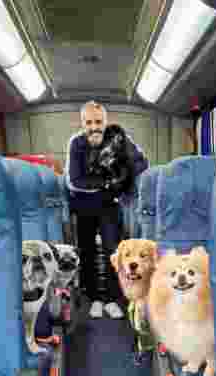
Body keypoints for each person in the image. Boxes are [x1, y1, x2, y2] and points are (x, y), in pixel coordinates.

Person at [65, 101, 149, 319]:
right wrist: (109, 182)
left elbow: (141, 164)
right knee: (87, 252)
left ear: (105, 122)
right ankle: (93, 299)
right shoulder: (76, 143)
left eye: (98, 122)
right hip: (83, 206)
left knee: (114, 252)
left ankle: (112, 298)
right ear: (82, 123)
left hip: (109, 206)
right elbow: (76, 181)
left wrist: (124, 171)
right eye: (89, 122)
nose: (94, 127)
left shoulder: (118, 140)